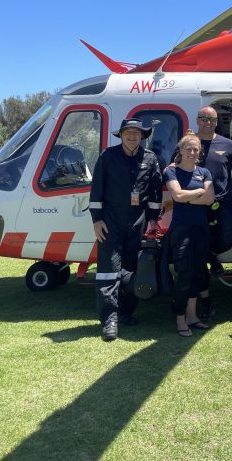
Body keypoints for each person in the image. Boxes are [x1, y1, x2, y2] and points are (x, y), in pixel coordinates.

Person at [89, 118, 162, 341]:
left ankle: (127, 312)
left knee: (133, 269)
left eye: (136, 133)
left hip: (137, 223)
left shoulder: (150, 158)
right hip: (110, 223)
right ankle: (109, 320)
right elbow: (96, 190)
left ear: (142, 136)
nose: (132, 136)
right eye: (128, 132)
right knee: (108, 270)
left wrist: (152, 219)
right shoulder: (107, 157)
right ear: (120, 135)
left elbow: (155, 191)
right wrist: (96, 219)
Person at [194, 105, 232, 315]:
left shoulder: (227, 144)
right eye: (204, 118)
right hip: (196, 202)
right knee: (198, 241)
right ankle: (209, 263)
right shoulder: (190, 143)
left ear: (216, 122)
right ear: (198, 120)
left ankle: (211, 257)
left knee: (227, 238)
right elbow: (175, 166)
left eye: (211, 119)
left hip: (224, 202)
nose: (207, 122)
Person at [164, 133, 215, 336]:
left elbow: (210, 199)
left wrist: (186, 197)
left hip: (201, 228)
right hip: (181, 229)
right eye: (189, 149)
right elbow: (176, 195)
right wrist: (197, 193)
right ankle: (180, 318)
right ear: (181, 151)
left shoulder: (204, 172)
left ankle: (193, 316)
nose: (193, 152)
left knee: (196, 272)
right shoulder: (171, 171)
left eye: (196, 149)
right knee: (184, 273)